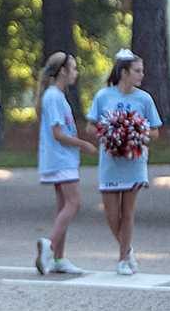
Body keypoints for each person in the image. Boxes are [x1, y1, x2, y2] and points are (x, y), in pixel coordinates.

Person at [85, 50, 162, 275]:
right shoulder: (103, 96)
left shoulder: (144, 98)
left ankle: (122, 259)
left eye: (142, 70)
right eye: (137, 71)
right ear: (124, 72)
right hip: (110, 162)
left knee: (128, 212)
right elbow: (91, 126)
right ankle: (127, 250)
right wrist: (110, 133)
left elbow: (155, 131)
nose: (141, 75)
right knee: (111, 213)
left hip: (134, 161)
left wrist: (136, 135)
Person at [34, 52, 97, 275]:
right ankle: (49, 246)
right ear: (62, 71)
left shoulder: (58, 96)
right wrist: (84, 145)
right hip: (60, 158)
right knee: (74, 202)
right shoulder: (53, 97)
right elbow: (58, 133)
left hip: (63, 158)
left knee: (64, 206)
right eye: (73, 68)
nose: (76, 73)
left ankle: (59, 258)